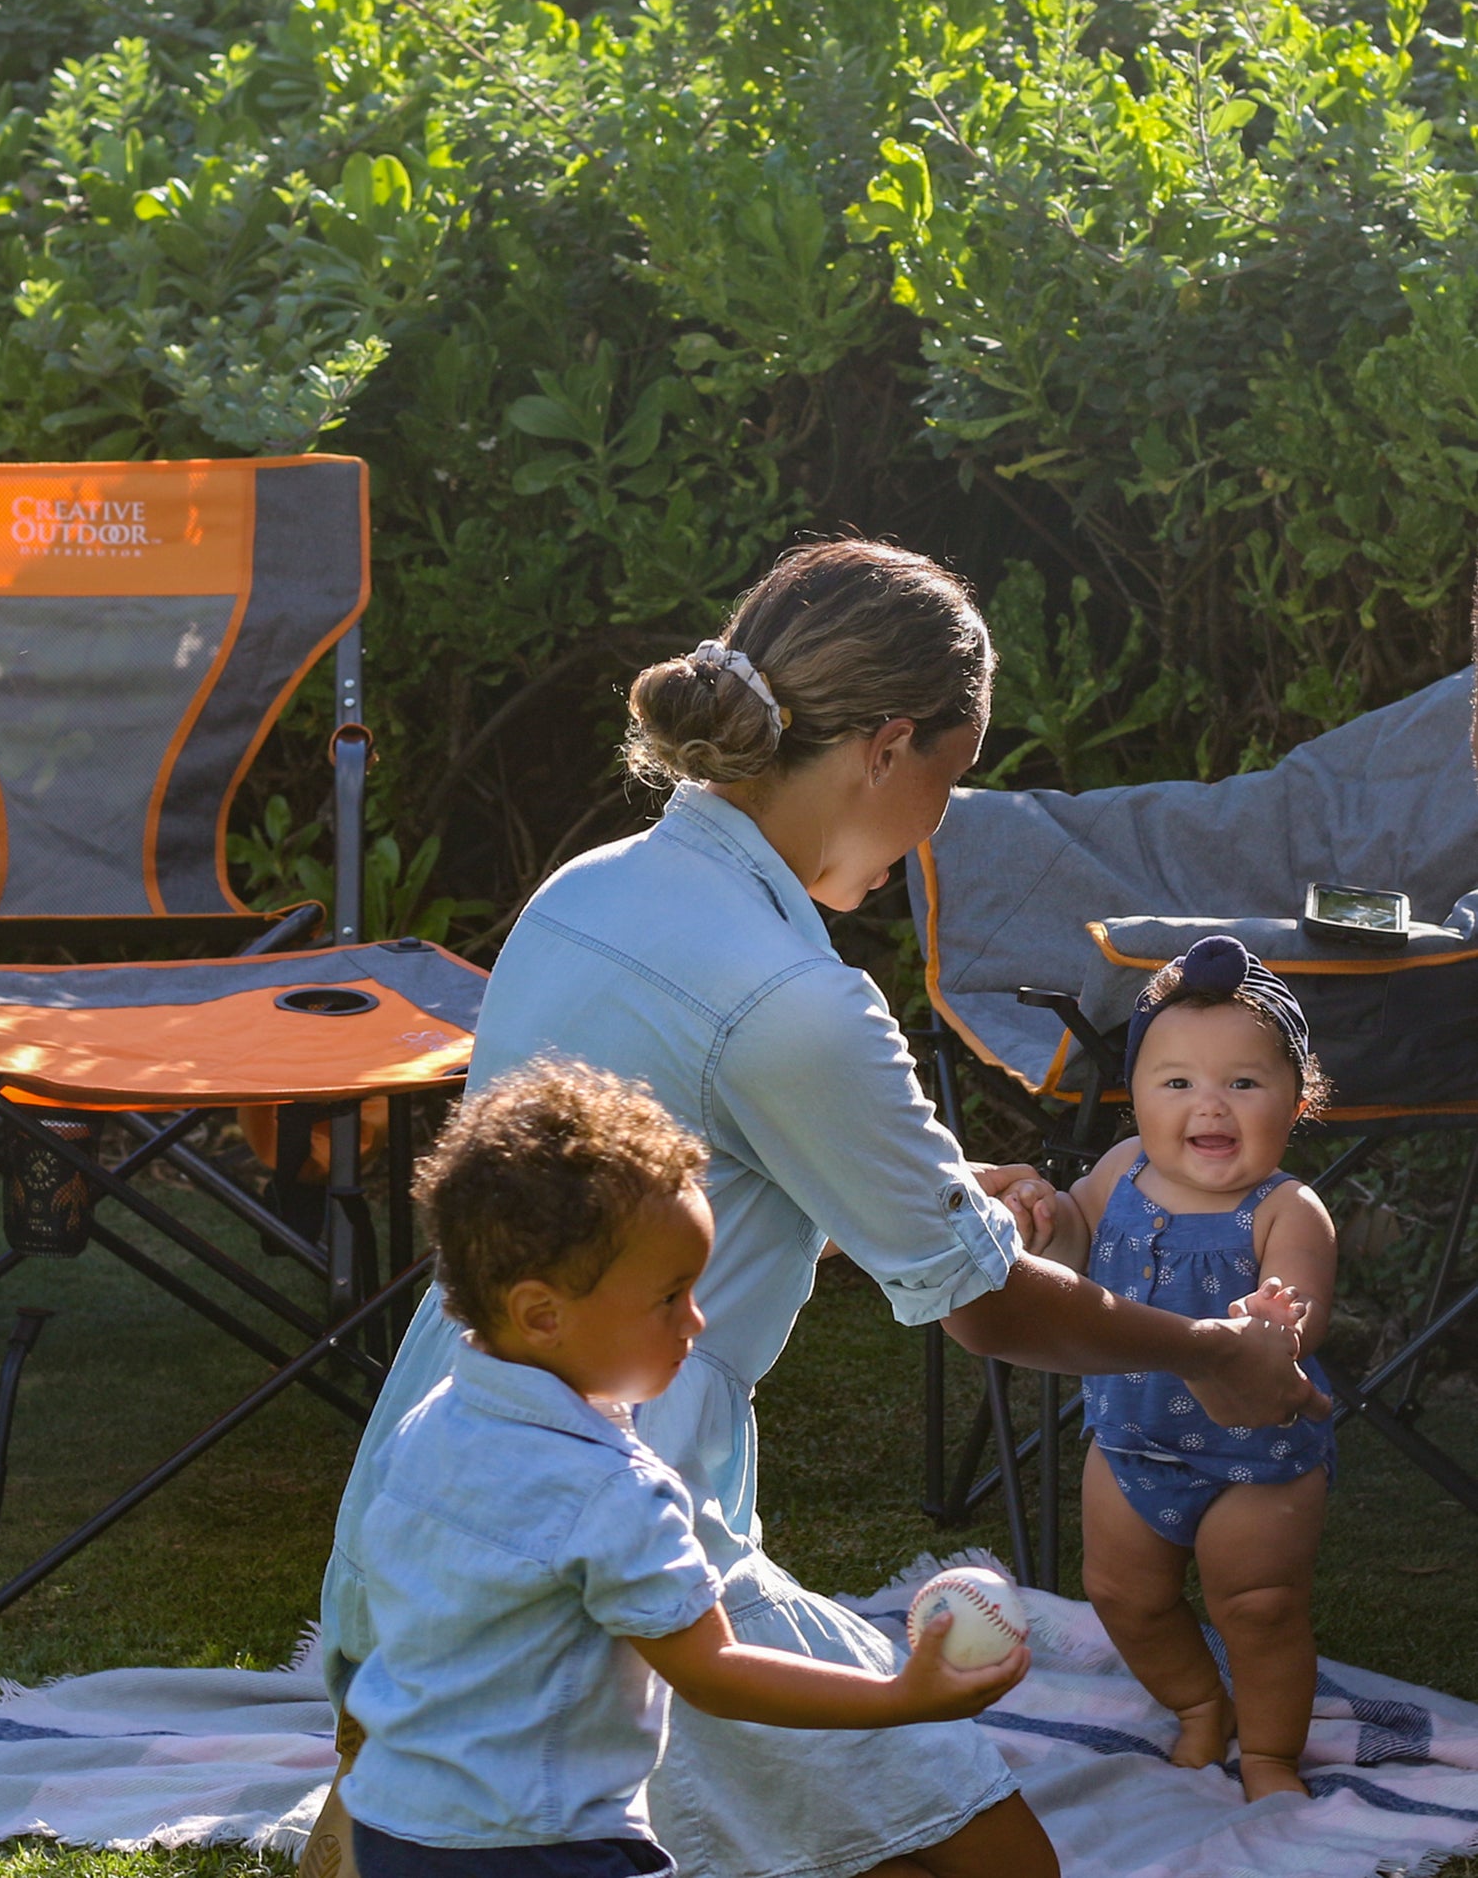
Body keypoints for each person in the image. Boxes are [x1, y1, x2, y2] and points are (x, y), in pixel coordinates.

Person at [310, 538, 1327, 1878]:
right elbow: (978, 1307)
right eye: (948, 781)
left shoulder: (587, 892)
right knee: (993, 1863)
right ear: (885, 747)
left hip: (438, 1463)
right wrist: (1213, 1357)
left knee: (435, 1798)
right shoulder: (797, 1001)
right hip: (625, 1492)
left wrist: (923, 1192)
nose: (938, 823)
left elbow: (637, 1171)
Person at [342, 1061, 1030, 1878]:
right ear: (541, 1314)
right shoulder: (614, 1490)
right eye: (670, 1296)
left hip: (394, 1825)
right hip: (539, 1844)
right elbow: (712, 1671)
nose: (697, 1320)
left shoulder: (430, 1426)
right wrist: (896, 1700)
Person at [1009, 935, 1337, 1801]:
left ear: (1297, 1099)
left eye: (1243, 1082)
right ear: (1137, 1097)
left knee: (1260, 1605)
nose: (1211, 1106)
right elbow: (1076, 1246)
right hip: (1129, 1436)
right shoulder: (1119, 1172)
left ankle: (1267, 1753)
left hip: (1256, 1456)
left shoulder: (1287, 1210)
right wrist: (1046, 1222)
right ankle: (1198, 1705)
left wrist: (1275, 1324)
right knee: (1122, 1592)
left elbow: (1298, 1311)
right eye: (1178, 1082)